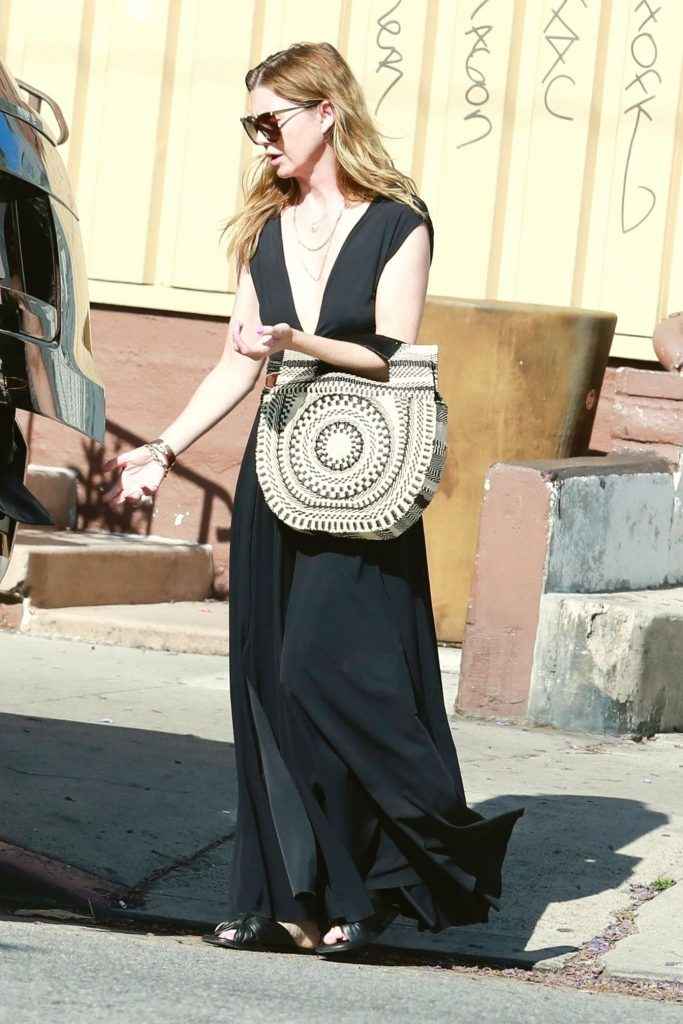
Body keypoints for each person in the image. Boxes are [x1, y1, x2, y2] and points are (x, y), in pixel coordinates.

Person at [104, 41, 524, 957]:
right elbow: (234, 361)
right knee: (267, 683)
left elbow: (387, 353)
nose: (260, 139)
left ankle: (391, 874)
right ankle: (284, 897)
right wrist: (164, 448)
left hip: (359, 478)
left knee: (329, 673)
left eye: (271, 120)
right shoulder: (262, 229)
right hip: (276, 470)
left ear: (325, 112)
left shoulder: (397, 221)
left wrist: (298, 340)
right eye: (250, 124)